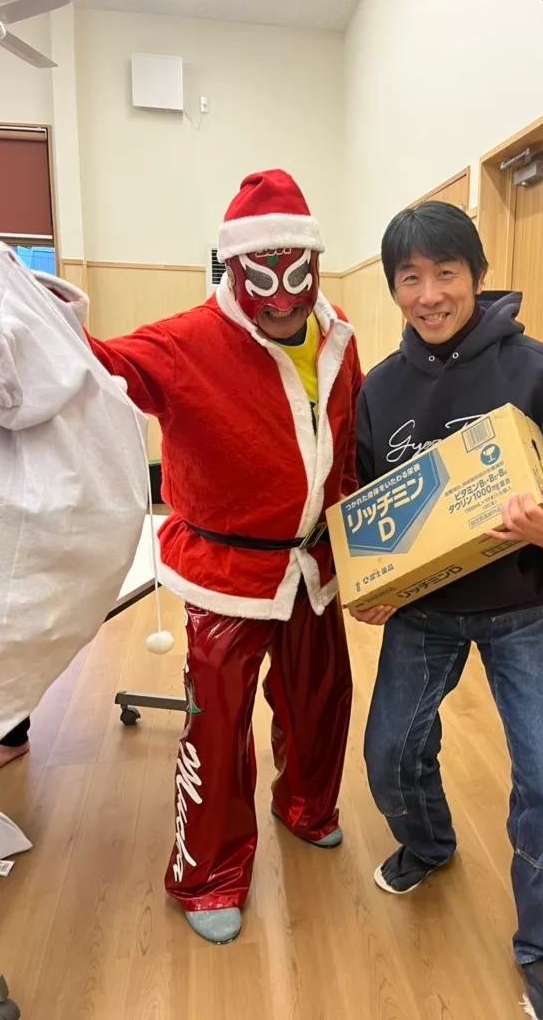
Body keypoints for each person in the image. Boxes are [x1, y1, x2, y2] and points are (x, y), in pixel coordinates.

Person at [353, 202, 543, 1020]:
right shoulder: (381, 389)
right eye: (411, 278)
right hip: (424, 612)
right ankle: (429, 842)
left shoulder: (535, 369)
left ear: (476, 275)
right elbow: (370, 508)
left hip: (525, 607)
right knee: (389, 751)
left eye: (447, 273)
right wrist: (375, 584)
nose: (430, 294)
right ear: (394, 288)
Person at [88, 170, 362, 945]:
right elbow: (101, 368)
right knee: (217, 726)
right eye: (261, 279)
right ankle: (206, 875)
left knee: (320, 699)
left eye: (296, 276)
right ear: (234, 269)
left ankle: (306, 806)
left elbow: (348, 446)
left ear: (315, 265)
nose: (281, 299)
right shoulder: (187, 341)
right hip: (226, 575)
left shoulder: (338, 338)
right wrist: (31, 318)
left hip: (314, 565)